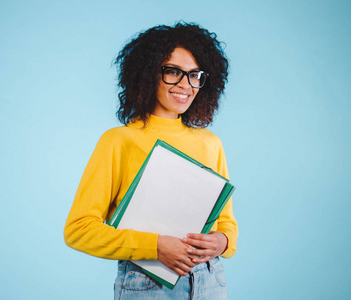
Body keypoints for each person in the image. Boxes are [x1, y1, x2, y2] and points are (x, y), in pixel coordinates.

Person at [64, 22, 238, 299]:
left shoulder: (211, 143)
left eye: (195, 75)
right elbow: (79, 230)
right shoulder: (119, 140)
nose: (185, 85)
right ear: (147, 74)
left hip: (210, 281)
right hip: (146, 284)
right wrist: (155, 246)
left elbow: (226, 222)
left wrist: (222, 241)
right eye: (173, 72)